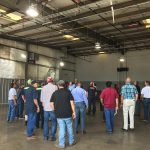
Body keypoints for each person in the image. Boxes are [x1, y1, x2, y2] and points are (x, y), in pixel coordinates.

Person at [50, 80, 76, 149]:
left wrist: (54, 110)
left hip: (59, 114)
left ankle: (61, 144)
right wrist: (74, 112)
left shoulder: (55, 93)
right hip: (68, 114)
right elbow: (72, 103)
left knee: (62, 129)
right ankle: (71, 142)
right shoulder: (68, 92)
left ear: (58, 85)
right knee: (70, 128)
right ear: (64, 85)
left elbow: (51, 103)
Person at [40, 77, 58, 141]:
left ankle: (45, 136)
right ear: (52, 81)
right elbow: (57, 97)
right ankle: (52, 136)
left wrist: (44, 105)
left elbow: (41, 99)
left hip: (45, 108)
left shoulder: (43, 87)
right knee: (54, 122)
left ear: (47, 81)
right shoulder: (55, 87)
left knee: (45, 122)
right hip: (52, 108)